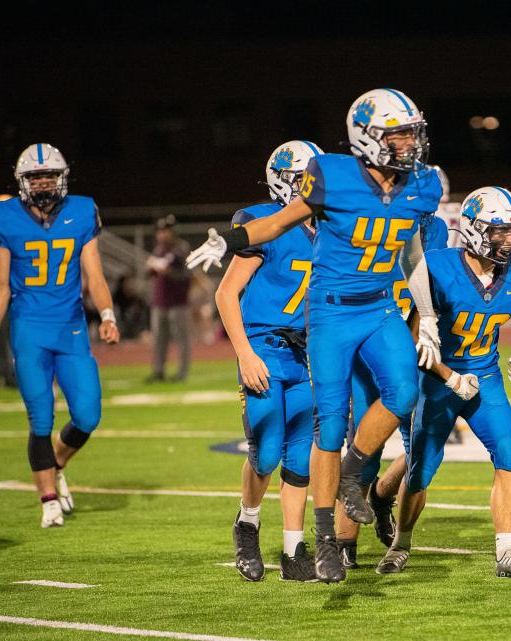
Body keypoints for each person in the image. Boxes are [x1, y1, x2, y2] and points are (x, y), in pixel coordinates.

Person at [186, 89, 443, 583]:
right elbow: (277, 224)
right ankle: (298, 534)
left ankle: (345, 481)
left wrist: (427, 314)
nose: (410, 144)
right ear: (367, 140)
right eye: (399, 135)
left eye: (412, 133)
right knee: (298, 438)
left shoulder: (422, 185)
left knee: (402, 394)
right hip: (316, 320)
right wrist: (231, 238)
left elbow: (416, 256)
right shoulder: (329, 180)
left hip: (373, 311)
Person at [375, 187, 511, 578]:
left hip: (485, 377)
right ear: (472, 230)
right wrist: (450, 379)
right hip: (437, 379)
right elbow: (416, 339)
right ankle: (401, 543)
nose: (509, 241)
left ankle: (506, 550)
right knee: (420, 469)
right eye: (498, 231)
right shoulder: (436, 267)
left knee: (509, 455)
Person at [0, 143, 120, 528]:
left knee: (88, 415)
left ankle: (55, 465)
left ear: (62, 178)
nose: (43, 183)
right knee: (40, 416)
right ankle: (48, 499)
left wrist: (107, 315)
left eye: (50, 176)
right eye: (35, 177)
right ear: (22, 182)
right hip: (29, 329)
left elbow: (94, 274)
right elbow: (0, 287)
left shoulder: (81, 210)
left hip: (71, 327)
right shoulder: (3, 217)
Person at [214, 140, 323, 582]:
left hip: (302, 352)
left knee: (300, 457)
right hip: (262, 346)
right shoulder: (263, 222)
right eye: (305, 180)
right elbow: (225, 293)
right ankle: (248, 522)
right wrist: (244, 353)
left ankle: (294, 550)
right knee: (267, 450)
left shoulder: (329, 229)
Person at [336, 165, 450, 569]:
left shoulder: (437, 232)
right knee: (364, 446)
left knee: (424, 444)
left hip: (412, 340)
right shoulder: (368, 217)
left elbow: (430, 290)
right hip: (371, 335)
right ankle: (344, 545)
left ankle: (383, 497)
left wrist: (426, 334)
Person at [147, 215, 191, 382]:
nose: (162, 235)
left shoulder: (181, 248)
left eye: (165, 231)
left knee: (181, 339)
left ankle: (182, 372)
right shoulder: (158, 249)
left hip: (178, 301)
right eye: (160, 231)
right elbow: (151, 272)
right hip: (160, 301)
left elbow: (186, 274)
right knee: (159, 339)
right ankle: (158, 371)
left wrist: (168, 271)